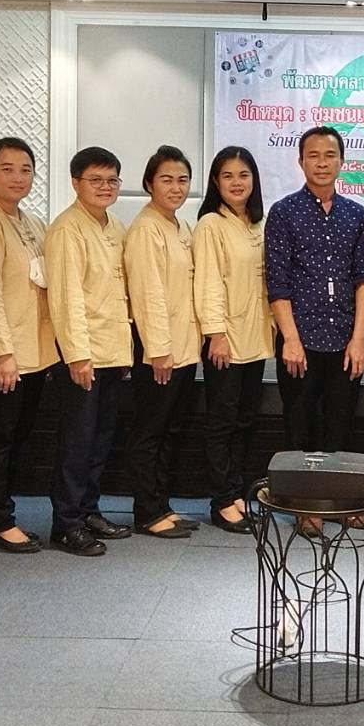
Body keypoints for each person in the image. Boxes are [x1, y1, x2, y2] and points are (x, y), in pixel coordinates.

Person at [265, 127, 364, 457]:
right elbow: (278, 283)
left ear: (342, 161)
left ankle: (337, 491)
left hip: (345, 341)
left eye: (330, 156)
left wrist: (359, 338)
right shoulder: (284, 212)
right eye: (313, 156)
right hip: (299, 341)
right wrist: (290, 339)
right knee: (299, 429)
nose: (322, 163)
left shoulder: (355, 214)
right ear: (301, 162)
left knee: (340, 430)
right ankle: (302, 493)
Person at [45, 146, 135, 556]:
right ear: (75, 183)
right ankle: (66, 524)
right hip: (84, 356)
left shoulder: (114, 225)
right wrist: (77, 355)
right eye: (95, 180)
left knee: (100, 440)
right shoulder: (67, 229)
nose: (105, 187)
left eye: (111, 180)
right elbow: (66, 299)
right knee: (77, 443)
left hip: (113, 352)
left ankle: (88, 511)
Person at [0, 137, 57, 554]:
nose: (18, 177)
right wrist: (1, 352)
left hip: (36, 351)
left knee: (18, 437)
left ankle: (5, 512)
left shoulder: (34, 223)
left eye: (26, 169)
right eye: (7, 169)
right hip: (4, 355)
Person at [194, 146, 273, 535]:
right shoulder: (211, 224)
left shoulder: (258, 223)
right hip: (225, 341)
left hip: (255, 338)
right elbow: (208, 282)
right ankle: (222, 501)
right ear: (216, 182)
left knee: (244, 420)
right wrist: (216, 334)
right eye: (228, 176)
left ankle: (238, 494)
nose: (236, 182)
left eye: (243, 175)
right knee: (222, 422)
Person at [125, 145, 202, 538]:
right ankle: (147, 511)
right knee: (150, 432)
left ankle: (162, 504)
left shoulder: (180, 225)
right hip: (159, 350)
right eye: (167, 180)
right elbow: (148, 294)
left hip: (183, 347)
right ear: (149, 184)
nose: (176, 187)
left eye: (182, 180)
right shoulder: (146, 229)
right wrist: (158, 349)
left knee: (170, 429)